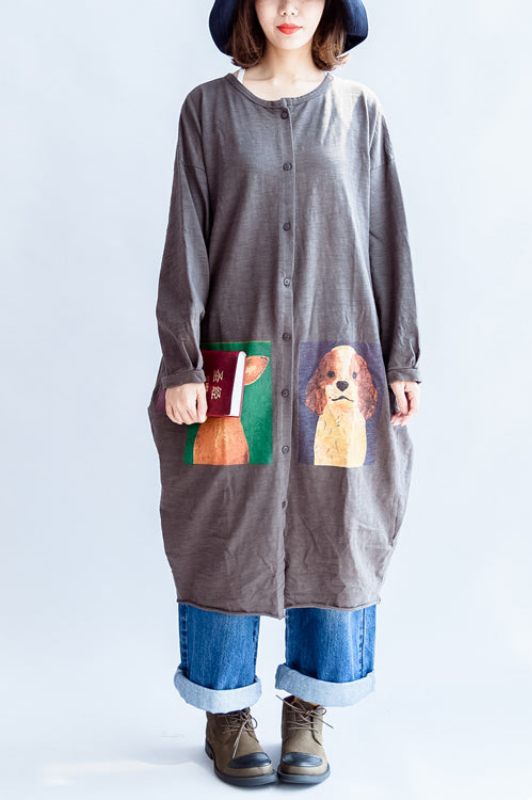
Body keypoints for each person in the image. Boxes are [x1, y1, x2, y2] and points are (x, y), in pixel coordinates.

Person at [147, 0, 421, 787]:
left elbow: (388, 238)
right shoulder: (208, 111)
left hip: (339, 363)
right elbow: (186, 238)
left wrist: (401, 359)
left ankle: (309, 708)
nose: (291, 7)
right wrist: (182, 365)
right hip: (237, 360)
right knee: (224, 529)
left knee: (337, 528)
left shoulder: (360, 112)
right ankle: (226, 712)